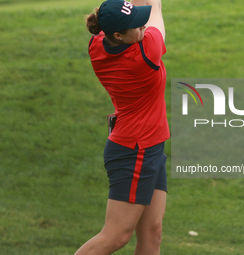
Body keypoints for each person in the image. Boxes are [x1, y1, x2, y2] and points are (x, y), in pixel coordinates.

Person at [74, 0, 169, 254]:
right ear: (119, 35)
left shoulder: (97, 45)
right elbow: (155, 9)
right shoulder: (145, 53)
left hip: (149, 145)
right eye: (136, 25)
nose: (142, 26)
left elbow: (115, 10)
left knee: (152, 232)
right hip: (135, 150)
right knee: (115, 236)